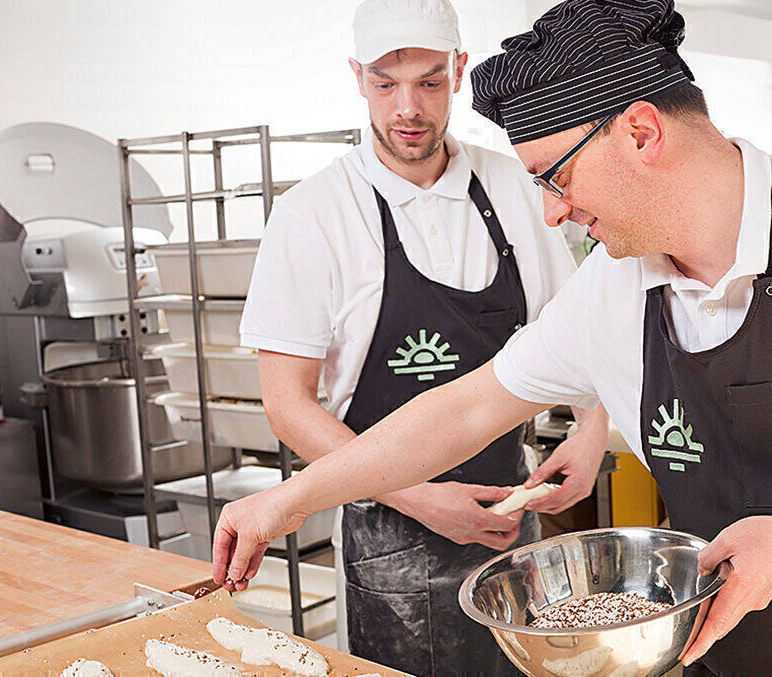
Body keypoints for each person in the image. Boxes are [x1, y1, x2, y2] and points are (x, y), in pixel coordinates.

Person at [217, 1, 772, 674]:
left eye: (555, 177)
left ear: (640, 132)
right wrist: (284, 501)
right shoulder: (616, 287)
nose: (552, 210)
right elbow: (465, 408)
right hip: (725, 658)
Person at [236, 0, 608, 673]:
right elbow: (287, 404)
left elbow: (577, 329)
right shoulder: (312, 213)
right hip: (389, 535)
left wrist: (589, 428)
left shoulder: (516, 185)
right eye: (386, 83)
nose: (408, 107)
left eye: (430, 82)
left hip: (507, 513)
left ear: (460, 70)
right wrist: (412, 491)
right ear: (357, 77)